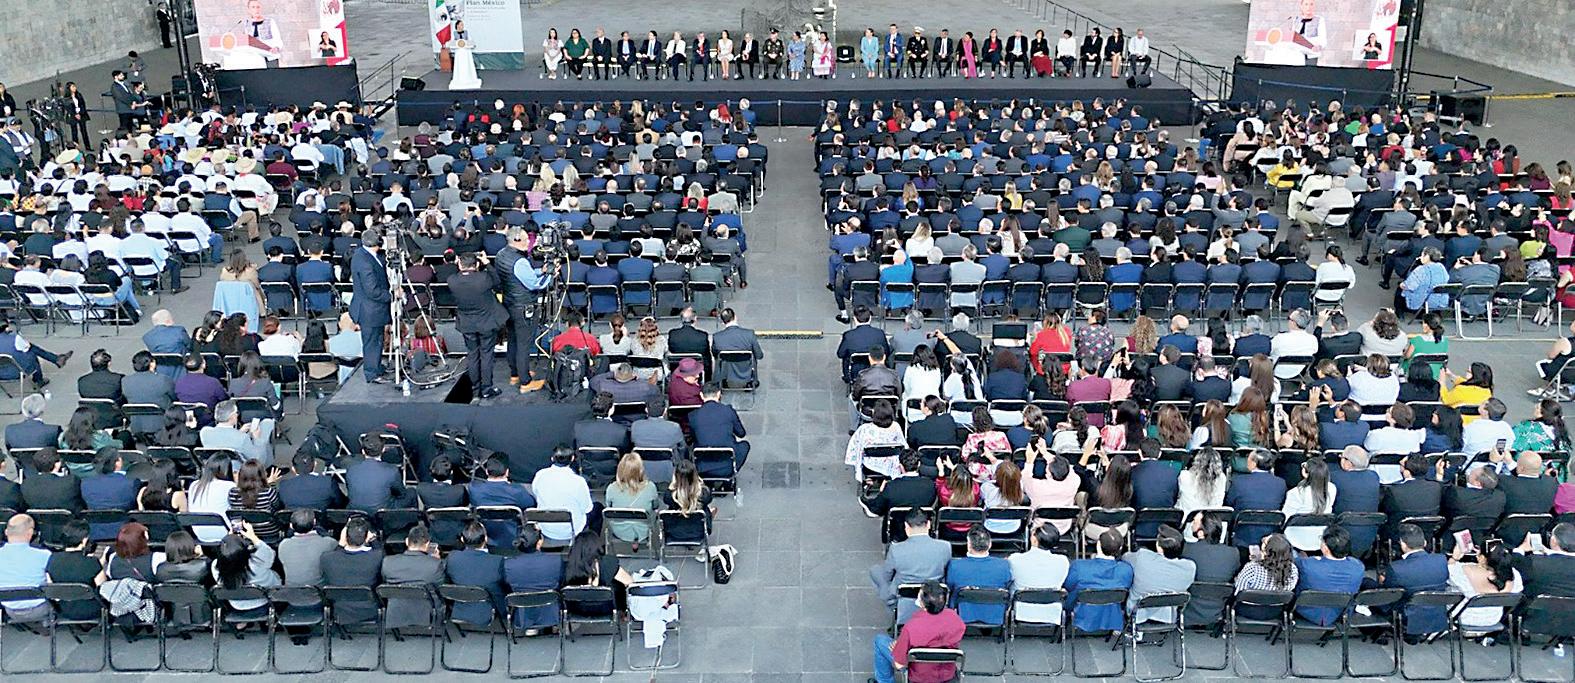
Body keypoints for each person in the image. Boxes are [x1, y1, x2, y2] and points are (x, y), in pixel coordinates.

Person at [871, 579, 965, 683]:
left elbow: (899, 664)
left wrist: (898, 648)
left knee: (880, 640)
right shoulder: (957, 620)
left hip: (919, 676)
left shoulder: (911, 627)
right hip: (947, 674)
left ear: (922, 603)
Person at [870, 509, 952, 624]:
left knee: (875, 571)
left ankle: (892, 604)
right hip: (933, 592)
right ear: (928, 524)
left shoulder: (896, 549)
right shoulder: (945, 547)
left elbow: (887, 575)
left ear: (906, 527)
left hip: (904, 593)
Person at [448, 252, 508, 400]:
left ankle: (475, 388)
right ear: (476, 265)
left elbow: (458, 273)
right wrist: (487, 263)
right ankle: (486, 388)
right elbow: (498, 282)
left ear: (459, 264)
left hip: (467, 323)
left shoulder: (452, 280)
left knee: (472, 355)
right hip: (486, 322)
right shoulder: (484, 278)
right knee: (486, 355)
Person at [1380, 523, 1451, 636]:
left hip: (1408, 616)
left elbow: (1388, 594)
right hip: (1436, 614)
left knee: (1369, 587)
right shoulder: (1442, 560)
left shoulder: (1396, 568)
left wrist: (1383, 581)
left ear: (1403, 544)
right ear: (1425, 543)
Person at [1064, 528, 1135, 633]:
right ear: (1120, 548)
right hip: (1112, 617)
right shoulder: (1126, 570)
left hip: (1083, 616)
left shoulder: (1079, 566)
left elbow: (1068, 586)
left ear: (1098, 545)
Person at [1122, 525, 1196, 624]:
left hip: (1137, 613)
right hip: (1168, 616)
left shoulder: (1142, 557)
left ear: (1160, 548)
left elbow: (1125, 558)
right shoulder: (1190, 567)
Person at [1293, 526, 1365, 625]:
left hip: (1309, 611)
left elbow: (1294, 562)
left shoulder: (1308, 565)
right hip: (1342, 613)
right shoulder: (1358, 566)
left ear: (1326, 548)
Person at [380, 523, 444, 629]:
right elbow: (440, 587)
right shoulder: (435, 565)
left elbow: (384, 580)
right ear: (427, 544)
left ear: (406, 541)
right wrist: (435, 560)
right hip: (427, 614)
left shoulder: (388, 562)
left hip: (396, 612)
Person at [946, 526, 1012, 626]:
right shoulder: (1003, 565)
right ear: (989, 544)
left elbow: (950, 586)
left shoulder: (955, 565)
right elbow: (1007, 584)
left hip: (963, 615)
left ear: (968, 544)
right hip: (995, 615)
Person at [349, 229, 391, 383]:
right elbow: (372, 290)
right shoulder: (365, 262)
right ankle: (372, 373)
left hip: (373, 310)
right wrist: (392, 296)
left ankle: (376, 366)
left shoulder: (362, 254)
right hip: (369, 310)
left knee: (377, 340)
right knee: (372, 342)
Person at [1008, 522, 1070, 625]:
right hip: (1052, 612)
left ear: (1034, 540)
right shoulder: (1063, 561)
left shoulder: (1015, 559)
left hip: (1021, 611)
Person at [468, 456, 536, 549]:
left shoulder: (474, 489)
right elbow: (531, 504)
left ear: (486, 471)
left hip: (487, 534)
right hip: (512, 535)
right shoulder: (517, 491)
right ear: (507, 472)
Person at [212, 523, 280, 615]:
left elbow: (228, 554)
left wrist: (230, 541)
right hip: (265, 602)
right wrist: (253, 537)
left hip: (237, 606)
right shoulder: (259, 562)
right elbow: (270, 553)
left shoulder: (215, 566)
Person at [445, 521, 506, 625]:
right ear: (486, 539)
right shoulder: (497, 561)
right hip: (490, 610)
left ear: (462, 539)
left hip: (460, 608)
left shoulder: (452, 557)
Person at [0, 514, 51, 622]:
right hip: (41, 608)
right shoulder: (44, 555)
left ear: (6, 532)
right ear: (30, 532)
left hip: (8, 609)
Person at [605, 453, 659, 544]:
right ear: (641, 470)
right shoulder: (650, 487)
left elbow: (609, 507)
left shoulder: (611, 488)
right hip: (643, 530)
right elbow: (655, 506)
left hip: (619, 531)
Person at [277, 509, 336, 585]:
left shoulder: (283, 545)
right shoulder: (328, 543)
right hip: (319, 588)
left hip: (291, 589)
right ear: (314, 522)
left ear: (291, 526)